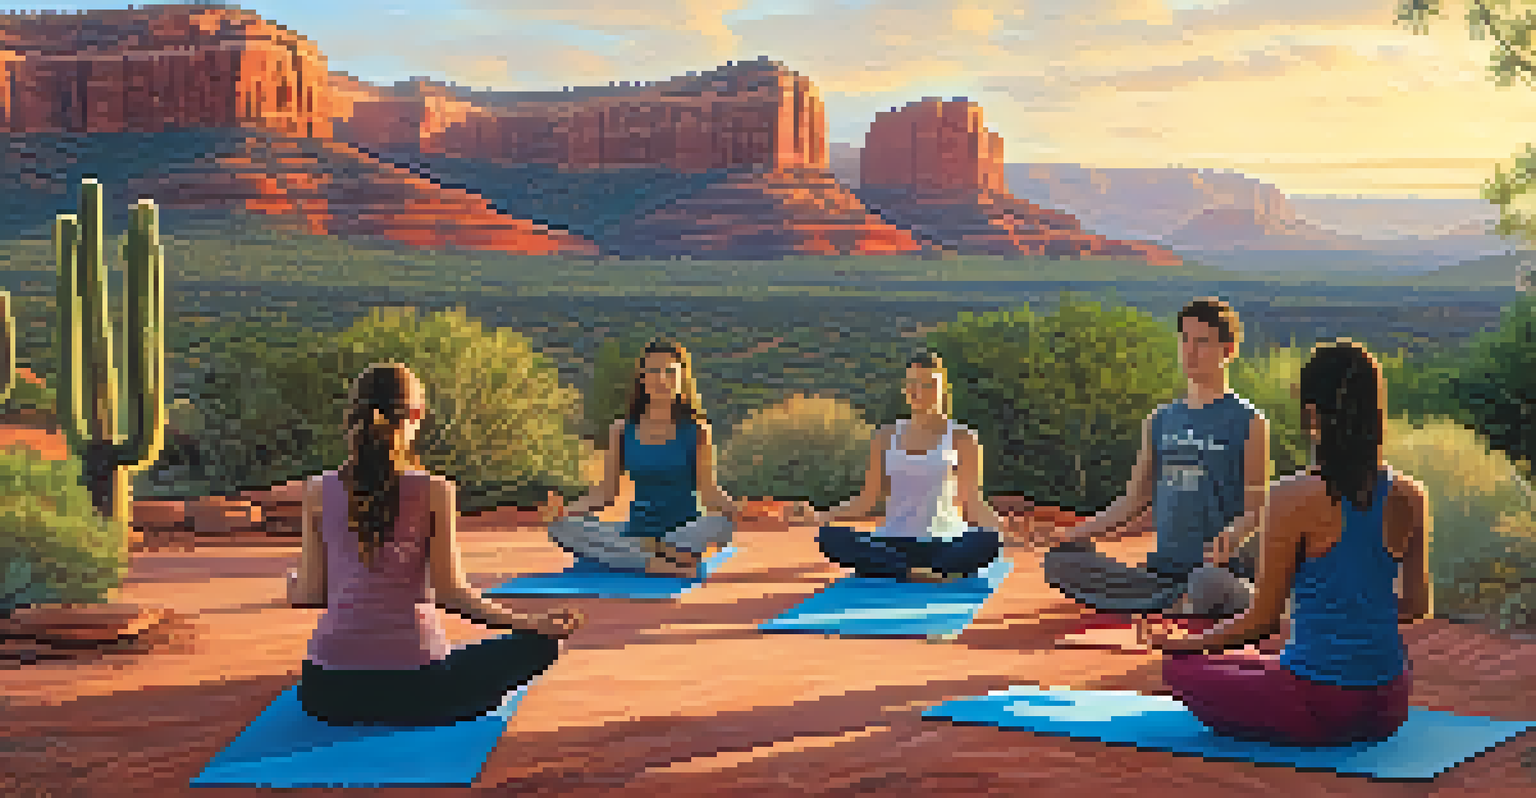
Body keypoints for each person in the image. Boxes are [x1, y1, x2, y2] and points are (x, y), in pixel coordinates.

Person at [1139, 339, 1432, 747]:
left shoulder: (1292, 496)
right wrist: (1356, 616)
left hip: (1321, 706)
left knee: (1180, 668)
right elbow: (1417, 607)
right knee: (1247, 663)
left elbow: (1262, 621)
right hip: (1390, 704)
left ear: (1312, 413)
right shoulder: (1411, 495)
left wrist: (1182, 643)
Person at [289, 362, 583, 726]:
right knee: (541, 645)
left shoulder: (317, 489)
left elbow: (306, 593)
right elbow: (451, 593)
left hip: (326, 693)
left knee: (344, 674)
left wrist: (299, 580)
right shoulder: (434, 490)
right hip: (419, 689)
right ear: (416, 414)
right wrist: (532, 623)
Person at [1033, 297, 1269, 623]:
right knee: (1061, 562)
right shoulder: (1160, 420)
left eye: (1202, 342)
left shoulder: (1250, 422)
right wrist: (1075, 532)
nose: (1190, 351)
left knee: (1207, 583)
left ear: (1228, 351)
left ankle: (1187, 599)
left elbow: (1257, 507)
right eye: (1185, 339)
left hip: (1216, 569)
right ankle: (1174, 600)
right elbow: (1134, 500)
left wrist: (1232, 537)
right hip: (1161, 572)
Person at [798, 351, 1005, 583]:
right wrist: (821, 516)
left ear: (942, 389)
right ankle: (922, 573)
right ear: (905, 389)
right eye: (912, 384)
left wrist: (999, 528)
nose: (918, 392)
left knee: (987, 542)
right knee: (830, 536)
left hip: (945, 541)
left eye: (927, 385)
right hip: (893, 541)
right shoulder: (885, 437)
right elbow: (867, 500)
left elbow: (972, 501)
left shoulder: (963, 438)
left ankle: (902, 570)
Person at [541, 338, 739, 578]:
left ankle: (654, 554)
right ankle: (659, 563)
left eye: (669, 371)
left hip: (684, 532)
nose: (661, 379)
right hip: (637, 531)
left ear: (681, 379)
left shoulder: (697, 430)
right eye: (654, 371)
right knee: (561, 529)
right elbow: (605, 494)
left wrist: (741, 510)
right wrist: (566, 512)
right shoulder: (621, 430)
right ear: (642, 379)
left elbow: (709, 493)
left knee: (721, 524)